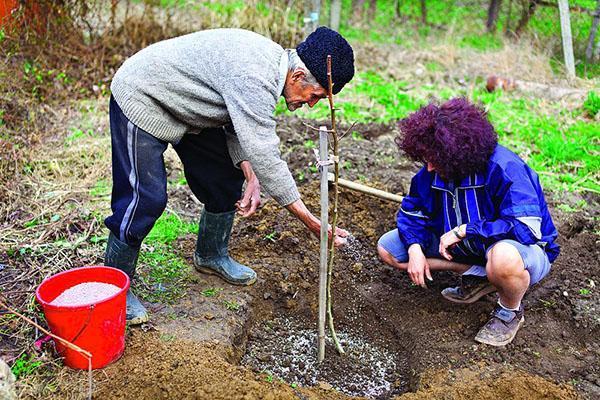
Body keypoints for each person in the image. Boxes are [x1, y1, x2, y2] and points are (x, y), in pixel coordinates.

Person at [104, 27, 355, 324]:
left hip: (190, 105)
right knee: (145, 199)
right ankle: (113, 290)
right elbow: (265, 153)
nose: (311, 104)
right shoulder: (254, 75)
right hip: (144, 96)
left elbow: (239, 125)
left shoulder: (272, 71)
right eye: (315, 96)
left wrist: (250, 175)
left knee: (223, 179)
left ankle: (210, 255)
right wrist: (313, 222)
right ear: (298, 76)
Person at [377, 98, 559, 346]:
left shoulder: (505, 168)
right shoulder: (432, 172)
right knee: (389, 249)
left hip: (522, 252)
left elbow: (525, 228)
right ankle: (480, 276)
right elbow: (413, 210)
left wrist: (467, 230)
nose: (428, 167)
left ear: (457, 154)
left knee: (503, 258)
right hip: (471, 251)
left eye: (434, 159)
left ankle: (509, 312)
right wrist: (415, 248)